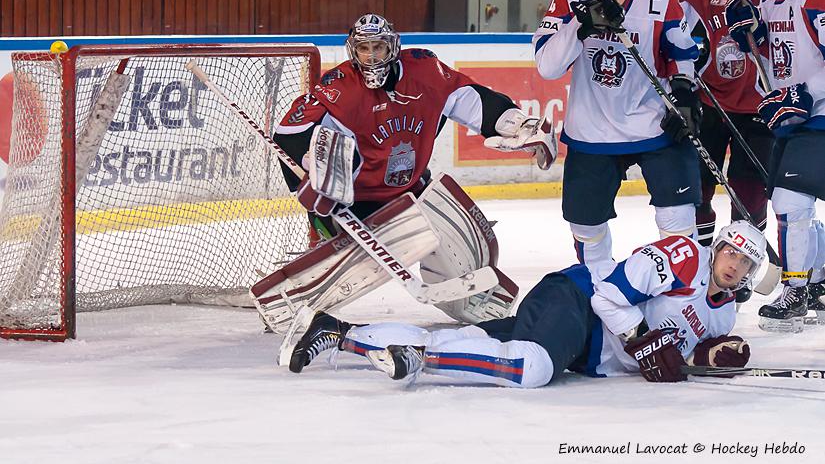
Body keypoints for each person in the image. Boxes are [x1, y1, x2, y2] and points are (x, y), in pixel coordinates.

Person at [258, 13, 557, 330]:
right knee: (337, 265)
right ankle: (299, 296)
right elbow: (291, 132)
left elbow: (471, 100)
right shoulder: (339, 86)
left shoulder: (426, 72)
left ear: (393, 47)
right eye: (364, 48)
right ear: (353, 51)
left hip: (410, 192)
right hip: (350, 204)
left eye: (378, 47)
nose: (372, 56)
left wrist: (517, 124)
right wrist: (306, 173)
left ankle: (474, 298)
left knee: (461, 229)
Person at [286, 221, 765, 388]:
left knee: (473, 341)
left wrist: (712, 355)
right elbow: (609, 295)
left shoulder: (724, 310)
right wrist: (641, 339)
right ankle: (421, 361)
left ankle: (338, 332)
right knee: (532, 368)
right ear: (717, 246)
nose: (732, 264)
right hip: (575, 301)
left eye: (744, 262)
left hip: (583, 348)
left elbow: (685, 346)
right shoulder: (682, 257)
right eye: (729, 251)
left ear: (748, 274)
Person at [532, 0, 701, 267]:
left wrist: (684, 96)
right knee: (586, 225)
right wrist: (581, 24)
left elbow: (681, 55)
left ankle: (680, 300)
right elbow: (548, 66)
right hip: (591, 129)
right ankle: (599, 293)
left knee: (678, 221)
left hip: (654, 121)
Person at [725, 0, 825, 331]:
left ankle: (796, 290)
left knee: (789, 202)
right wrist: (753, 36)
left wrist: (806, 94)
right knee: (797, 207)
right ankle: (817, 283)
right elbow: (773, 58)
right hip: (791, 117)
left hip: (818, 115)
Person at [673, 0, 778, 256]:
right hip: (710, 103)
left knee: (749, 193)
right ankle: (703, 258)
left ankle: (742, 262)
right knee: (698, 188)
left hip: (760, 106)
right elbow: (670, 35)